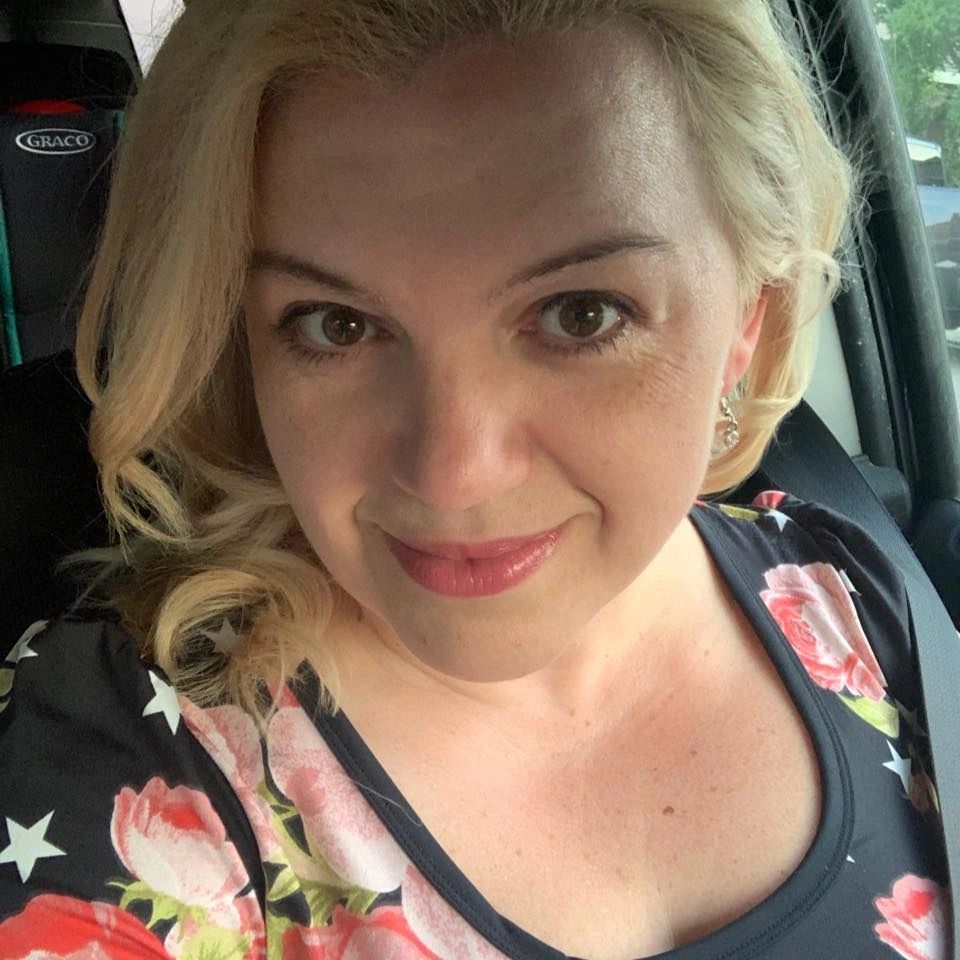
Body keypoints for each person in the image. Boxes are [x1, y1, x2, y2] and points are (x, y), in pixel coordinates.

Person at [0, 0, 949, 957]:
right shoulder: (123, 755)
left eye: (581, 315)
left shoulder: (857, 606)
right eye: (336, 325)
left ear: (749, 315)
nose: (452, 476)